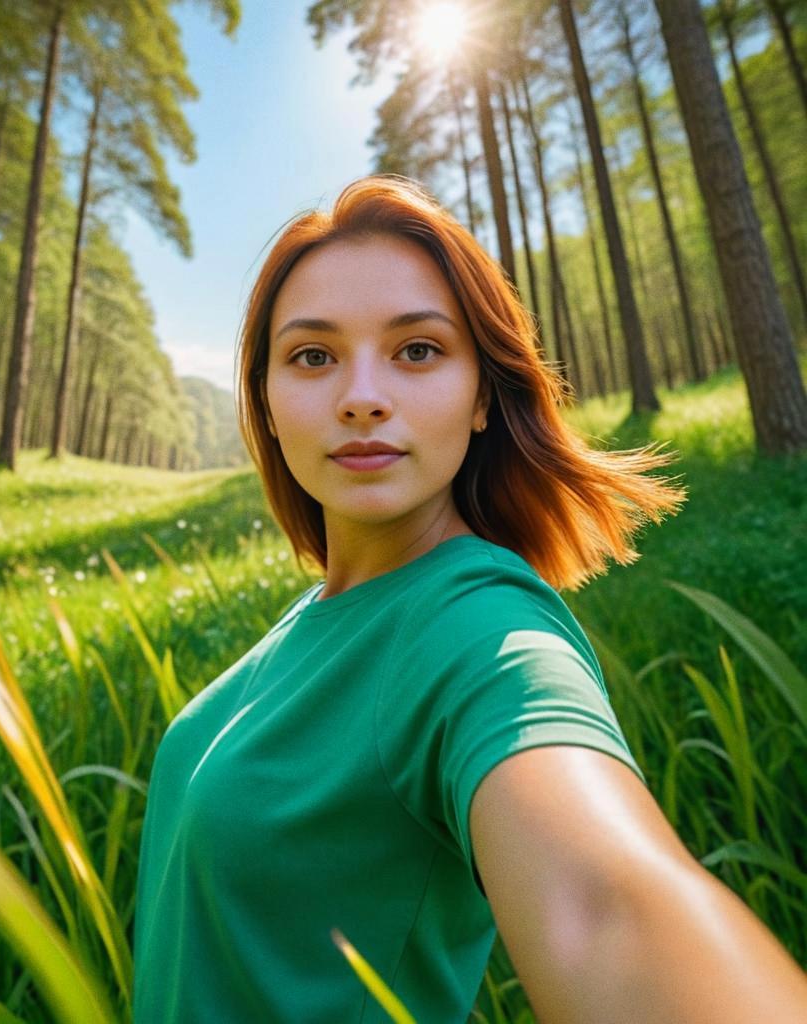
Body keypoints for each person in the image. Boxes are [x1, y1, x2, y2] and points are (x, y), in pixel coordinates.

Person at [131, 175, 807, 1022]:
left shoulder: (476, 626)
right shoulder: (325, 616)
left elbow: (606, 912)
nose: (361, 395)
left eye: (417, 350)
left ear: (483, 395)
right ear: (265, 400)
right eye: (313, 356)